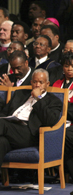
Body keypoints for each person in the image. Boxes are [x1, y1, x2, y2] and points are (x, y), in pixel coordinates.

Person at [55, 52, 73, 184]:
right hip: (57, 121)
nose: (70, 69)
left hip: (71, 124)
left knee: (65, 135)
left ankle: (66, 171)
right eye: (67, 66)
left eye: (72, 66)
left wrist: (64, 106)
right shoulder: (57, 84)